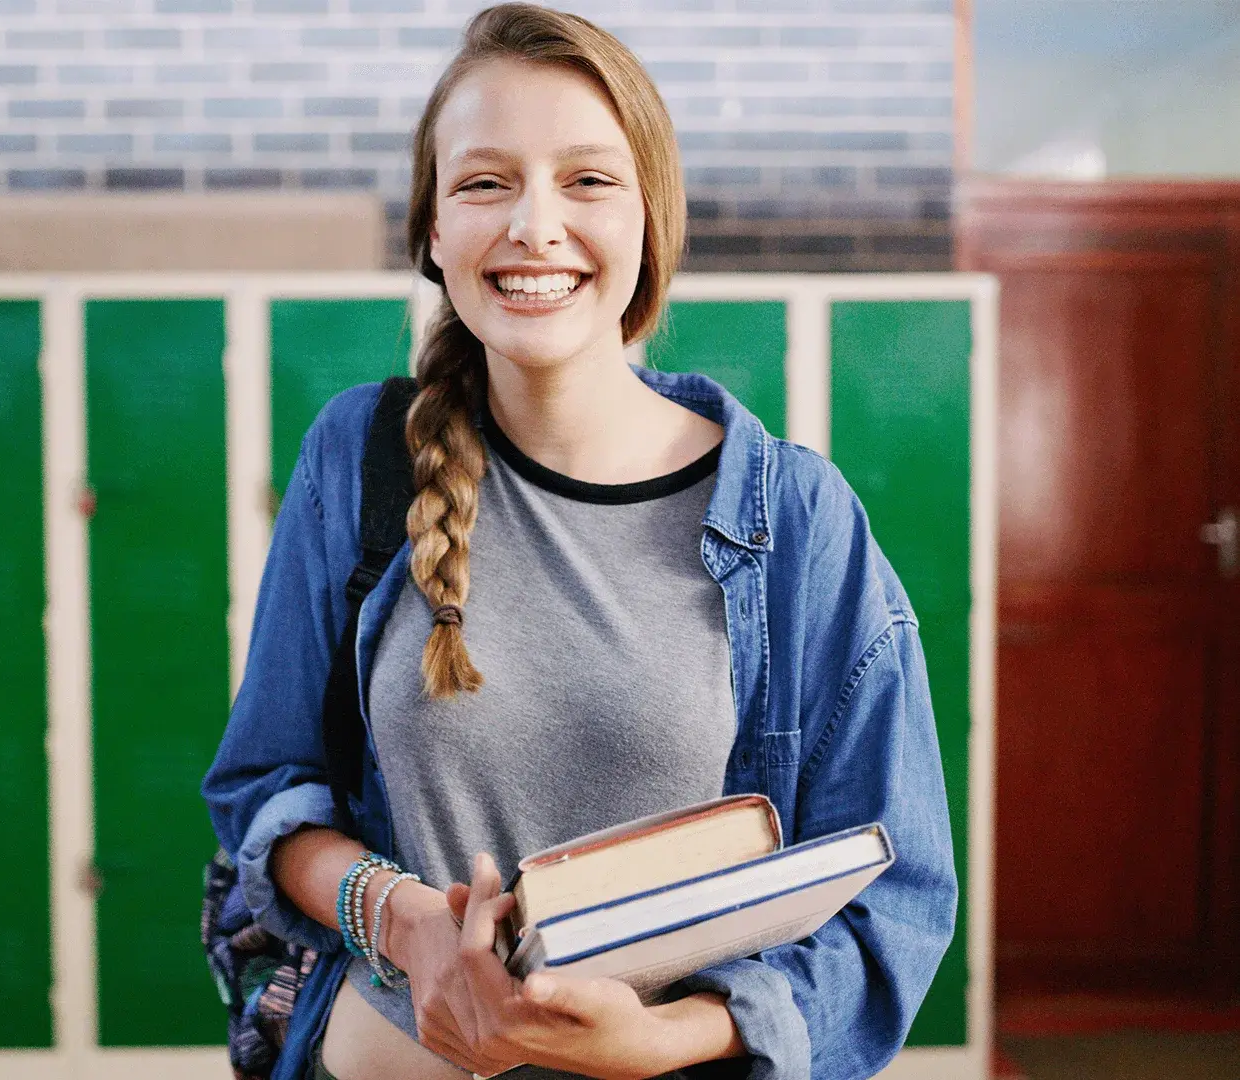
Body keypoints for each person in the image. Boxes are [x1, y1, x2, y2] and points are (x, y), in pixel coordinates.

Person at [202, 5, 957, 1079]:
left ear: (653, 217)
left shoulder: (795, 521)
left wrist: (662, 1040)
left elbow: (894, 901)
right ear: (431, 232)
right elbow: (264, 787)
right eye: (483, 182)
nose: (533, 225)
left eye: (588, 180)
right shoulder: (359, 460)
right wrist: (402, 916)